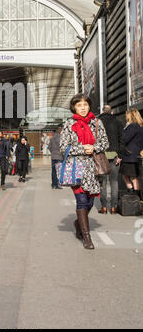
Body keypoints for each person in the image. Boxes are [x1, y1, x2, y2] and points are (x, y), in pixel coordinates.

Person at [60, 94, 109, 250]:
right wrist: (82, 148)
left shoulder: (97, 122)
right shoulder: (69, 124)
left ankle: (78, 223)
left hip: (93, 167)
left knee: (89, 201)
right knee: (81, 200)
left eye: (85, 105)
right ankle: (87, 237)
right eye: (79, 105)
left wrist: (94, 147)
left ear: (89, 106)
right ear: (74, 107)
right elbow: (63, 147)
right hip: (76, 167)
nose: (82, 107)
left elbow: (105, 142)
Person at [98, 105, 126, 214]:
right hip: (115, 156)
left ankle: (104, 207)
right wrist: (120, 155)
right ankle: (114, 207)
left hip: (102, 156)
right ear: (112, 112)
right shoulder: (118, 122)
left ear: (102, 111)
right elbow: (122, 140)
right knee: (114, 181)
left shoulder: (97, 123)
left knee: (103, 182)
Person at [120, 109, 143, 198]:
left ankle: (134, 194)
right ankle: (135, 193)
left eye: (127, 115)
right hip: (136, 154)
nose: (126, 117)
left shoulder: (133, 126)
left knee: (130, 176)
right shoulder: (140, 126)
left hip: (130, 156)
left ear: (131, 116)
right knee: (132, 176)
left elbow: (124, 139)